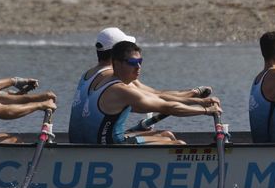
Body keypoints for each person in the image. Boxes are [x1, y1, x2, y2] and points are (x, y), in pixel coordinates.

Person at [66, 27, 210, 143]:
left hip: (79, 140)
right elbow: (157, 96)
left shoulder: (88, 75)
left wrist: (193, 94)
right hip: (103, 146)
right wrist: (201, 104)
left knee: (166, 134)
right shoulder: (116, 79)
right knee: (173, 142)